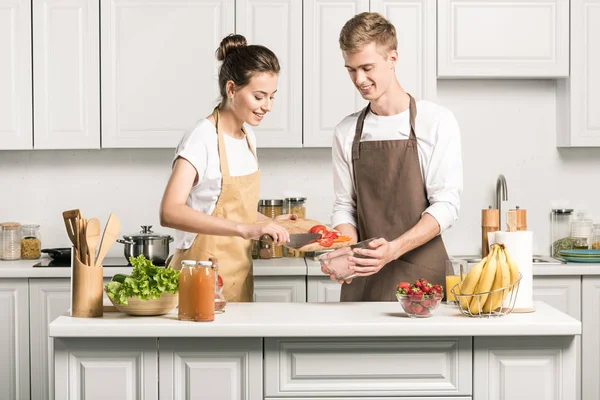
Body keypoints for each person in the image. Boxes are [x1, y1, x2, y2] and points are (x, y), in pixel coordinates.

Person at [322, 12, 463, 301]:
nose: (359, 79)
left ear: (393, 58)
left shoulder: (435, 121)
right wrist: (346, 249)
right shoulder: (347, 131)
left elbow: (447, 205)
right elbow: (344, 206)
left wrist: (394, 250)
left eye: (367, 67)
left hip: (423, 283)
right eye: (351, 70)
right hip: (365, 280)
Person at [160, 34, 292, 303]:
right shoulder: (202, 138)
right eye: (259, 96)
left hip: (237, 276)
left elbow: (226, 207)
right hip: (200, 274)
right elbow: (169, 211)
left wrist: (264, 223)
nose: (267, 106)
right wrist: (244, 229)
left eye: (272, 97)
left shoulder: (247, 137)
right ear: (231, 89)